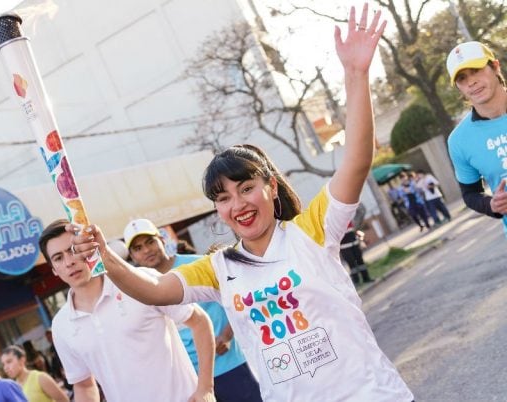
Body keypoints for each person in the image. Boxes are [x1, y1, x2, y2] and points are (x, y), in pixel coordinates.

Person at [68, 5, 413, 401]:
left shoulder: (310, 231)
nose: (238, 205)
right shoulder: (220, 267)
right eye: (223, 198)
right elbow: (156, 291)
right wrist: (103, 256)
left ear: (269, 185)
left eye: (246, 188)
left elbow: (356, 160)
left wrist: (355, 75)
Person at [39, 219, 217, 402]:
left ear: (88, 249)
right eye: (58, 258)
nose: (69, 262)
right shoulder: (61, 326)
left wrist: (205, 388)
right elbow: (84, 385)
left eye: (73, 250)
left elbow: (199, 321)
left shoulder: (141, 282)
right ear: (53, 269)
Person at [123, 218, 262, 402]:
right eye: (138, 248)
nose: (147, 250)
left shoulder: (199, 265)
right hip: (189, 379)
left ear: (162, 240)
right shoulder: (138, 289)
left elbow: (239, 300)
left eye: (150, 242)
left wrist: (227, 335)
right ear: (132, 257)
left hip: (228, 365)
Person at [446, 40, 507, 236]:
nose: (471, 82)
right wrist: (492, 204)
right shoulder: (459, 140)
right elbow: (470, 194)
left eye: (476, 70)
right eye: (462, 78)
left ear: (495, 67)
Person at [0, 345, 70, 402]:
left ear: (22, 360)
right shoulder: (12, 387)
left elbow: (64, 400)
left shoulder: (40, 378)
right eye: (3, 364)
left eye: (9, 362)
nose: (6, 367)